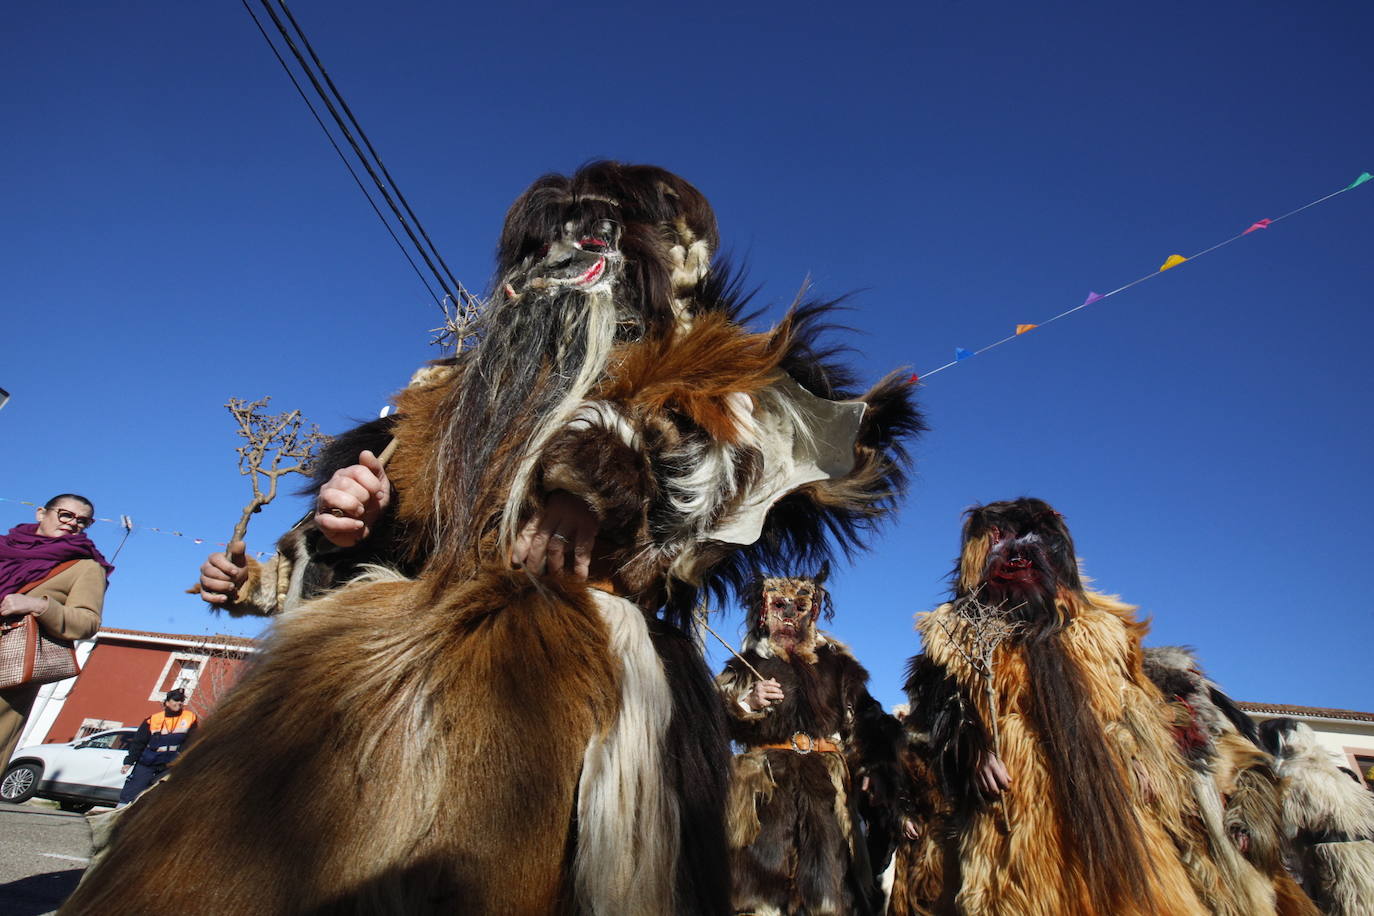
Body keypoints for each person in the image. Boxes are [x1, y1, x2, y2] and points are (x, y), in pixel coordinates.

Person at [69, 162, 920, 914]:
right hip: (403, 660)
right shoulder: (448, 392)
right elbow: (367, 533)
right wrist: (339, 521)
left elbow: (751, 482)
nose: (563, 270)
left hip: (596, 681)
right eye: (544, 250)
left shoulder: (713, 381)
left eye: (609, 238)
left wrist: (602, 469)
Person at [715, 570, 901, 916]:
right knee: (754, 898)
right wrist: (747, 703)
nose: (788, 615)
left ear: (813, 612)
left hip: (826, 795)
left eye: (799, 606)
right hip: (763, 794)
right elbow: (710, 719)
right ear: (763, 610)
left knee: (830, 898)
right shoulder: (745, 665)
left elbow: (867, 720)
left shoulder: (839, 666)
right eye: (779, 605)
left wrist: (877, 769)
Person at [1, 494, 112, 765]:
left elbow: (87, 622)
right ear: (41, 513)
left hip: (8, 670)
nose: (73, 523)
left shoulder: (85, 566)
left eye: (83, 521)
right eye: (66, 514)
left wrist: (39, 606)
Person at [116, 688, 197, 806]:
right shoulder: (153, 719)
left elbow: (191, 740)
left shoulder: (190, 718)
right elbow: (139, 743)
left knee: (159, 799)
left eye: (181, 700)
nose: (179, 703)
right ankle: (118, 817)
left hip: (169, 766)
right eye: (176, 700)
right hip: (148, 763)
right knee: (129, 795)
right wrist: (129, 762)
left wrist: (182, 758)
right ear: (167, 702)